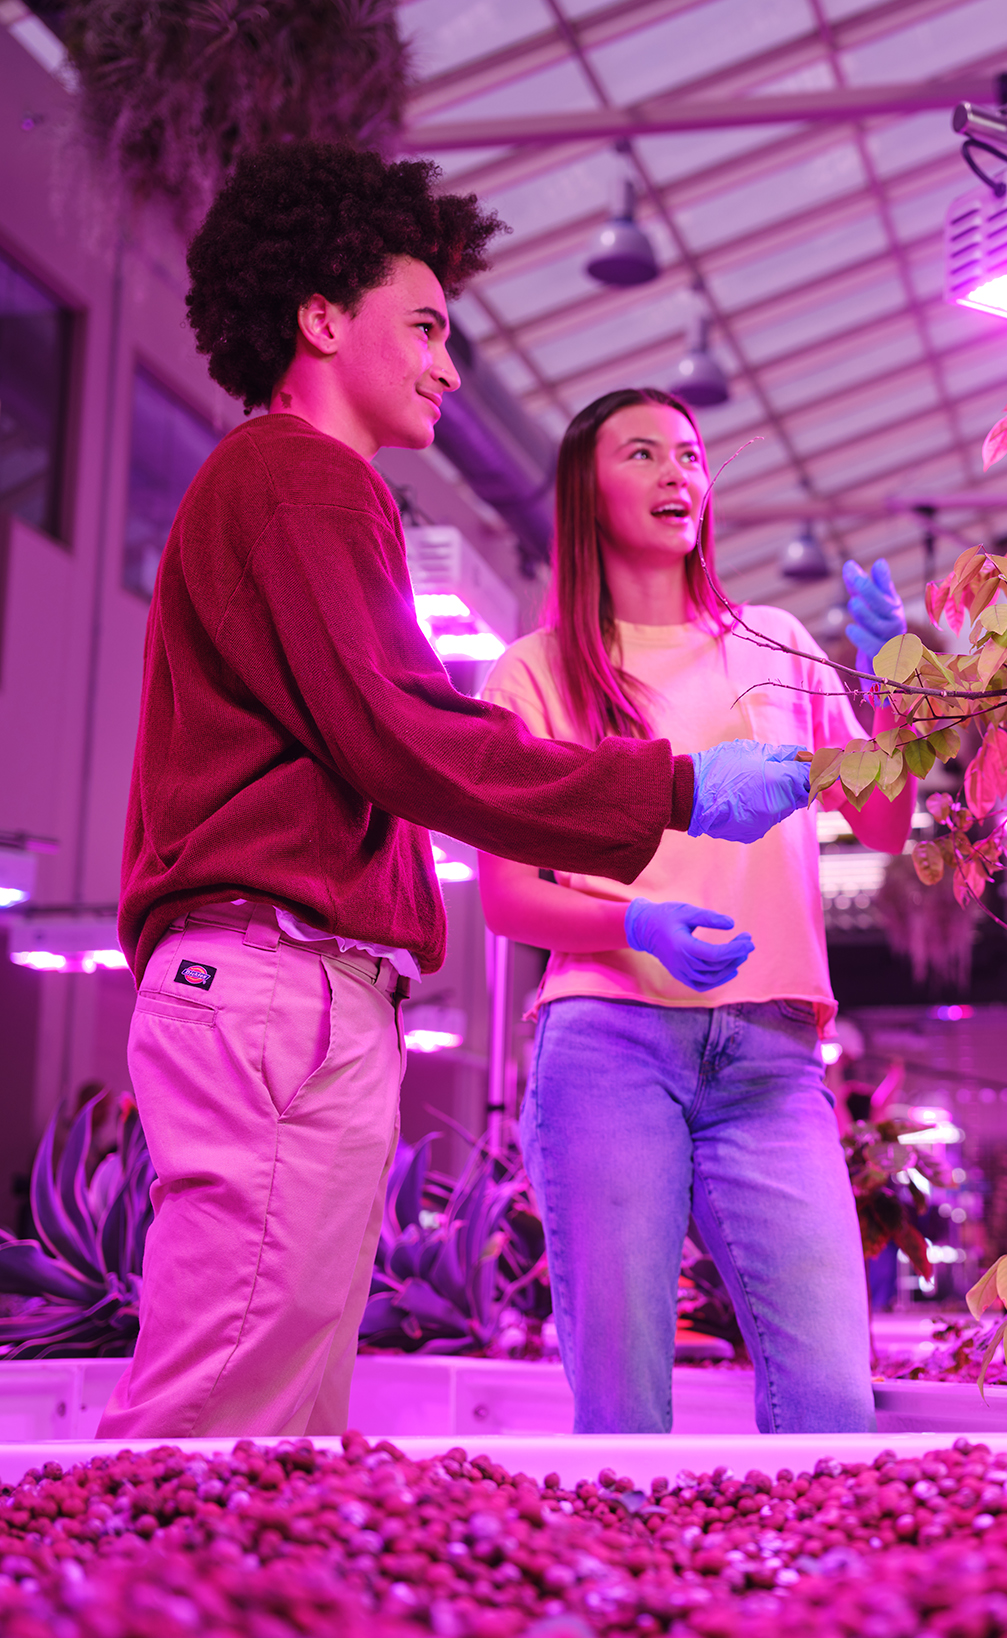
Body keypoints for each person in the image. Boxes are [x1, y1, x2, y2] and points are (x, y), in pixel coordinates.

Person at [97, 147, 814, 1441]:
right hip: (275, 982)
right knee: (210, 1424)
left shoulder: (296, 488)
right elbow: (410, 736)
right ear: (322, 319)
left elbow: (395, 738)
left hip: (293, 986)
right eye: (424, 326)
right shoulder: (297, 477)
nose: (446, 364)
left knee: (272, 1424)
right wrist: (678, 789)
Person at [477, 387, 914, 1433]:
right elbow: (506, 897)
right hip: (608, 1045)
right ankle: (618, 1592)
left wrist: (891, 679)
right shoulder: (533, 677)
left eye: (691, 454)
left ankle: (811, 1598)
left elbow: (889, 822)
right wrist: (636, 925)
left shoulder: (772, 642)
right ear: (586, 489)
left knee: (832, 1403)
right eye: (643, 453)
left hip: (771, 1058)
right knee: (624, 1404)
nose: (680, 473)